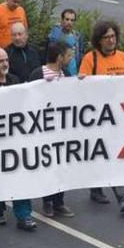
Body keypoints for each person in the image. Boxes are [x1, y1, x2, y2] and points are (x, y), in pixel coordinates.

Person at [0, 48, 37, 231]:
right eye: (0, 61)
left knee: (20, 175)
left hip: (14, 138)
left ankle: (24, 214)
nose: (5, 64)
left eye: (6, 60)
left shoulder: (15, 81)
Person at [80, 21, 124, 213]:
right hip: (99, 116)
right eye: (107, 37)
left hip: (120, 114)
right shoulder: (90, 59)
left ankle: (96, 188)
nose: (111, 40)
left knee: (107, 154)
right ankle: (121, 195)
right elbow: (82, 85)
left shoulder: (123, 57)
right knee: (108, 154)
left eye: (113, 36)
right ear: (99, 40)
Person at [29, 41, 77, 218]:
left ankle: (59, 201)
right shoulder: (37, 74)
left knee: (62, 167)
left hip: (62, 129)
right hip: (44, 129)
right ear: (59, 57)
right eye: (68, 55)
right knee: (47, 165)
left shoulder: (67, 74)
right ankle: (47, 200)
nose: (70, 59)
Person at [48, 8, 87, 78]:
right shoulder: (55, 35)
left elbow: (81, 54)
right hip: (59, 73)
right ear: (62, 20)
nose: (69, 22)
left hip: (74, 73)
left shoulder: (78, 36)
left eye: (72, 20)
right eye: (67, 19)